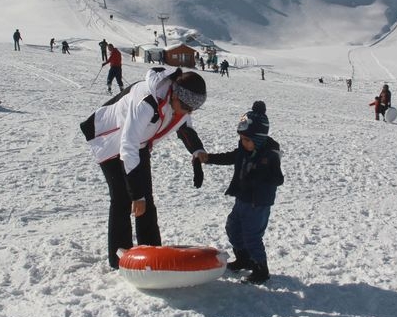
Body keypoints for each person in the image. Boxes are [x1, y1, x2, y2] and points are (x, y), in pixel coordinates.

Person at [80, 67, 208, 269]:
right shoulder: (147, 102)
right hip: (108, 139)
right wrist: (136, 194)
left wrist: (197, 151)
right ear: (174, 93)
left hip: (138, 144)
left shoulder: (180, 102)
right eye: (186, 106)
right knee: (123, 199)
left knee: (146, 201)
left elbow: (184, 126)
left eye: (192, 109)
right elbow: (127, 146)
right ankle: (119, 259)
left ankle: (152, 254)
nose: (188, 112)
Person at [198, 101, 283, 285]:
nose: (243, 143)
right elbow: (231, 157)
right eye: (241, 138)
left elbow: (278, 179)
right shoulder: (244, 150)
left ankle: (261, 269)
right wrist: (209, 158)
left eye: (247, 140)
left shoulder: (270, 155)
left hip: (258, 203)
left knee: (252, 236)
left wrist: (264, 173)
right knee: (233, 228)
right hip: (242, 198)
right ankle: (244, 258)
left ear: (258, 139)